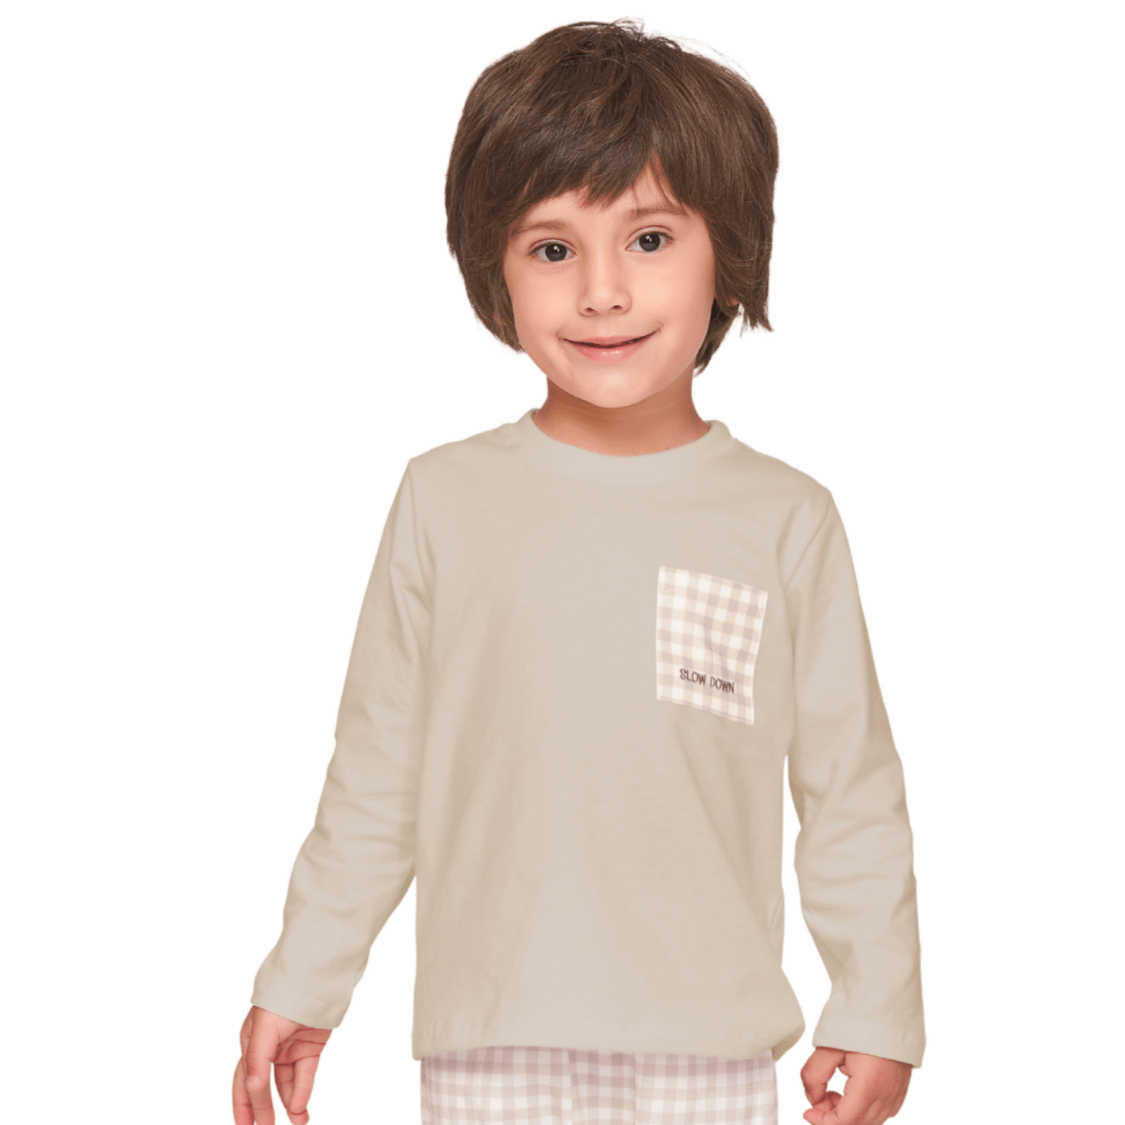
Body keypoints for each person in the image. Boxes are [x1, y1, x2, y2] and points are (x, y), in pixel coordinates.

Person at [233, 19, 924, 1125]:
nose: (602, 291)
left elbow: (850, 791)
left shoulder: (785, 519)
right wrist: (305, 979)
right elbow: (377, 773)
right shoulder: (444, 500)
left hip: (708, 1040)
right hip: (491, 1036)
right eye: (552, 249)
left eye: (648, 239)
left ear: (729, 251)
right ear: (494, 271)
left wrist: (878, 1005)